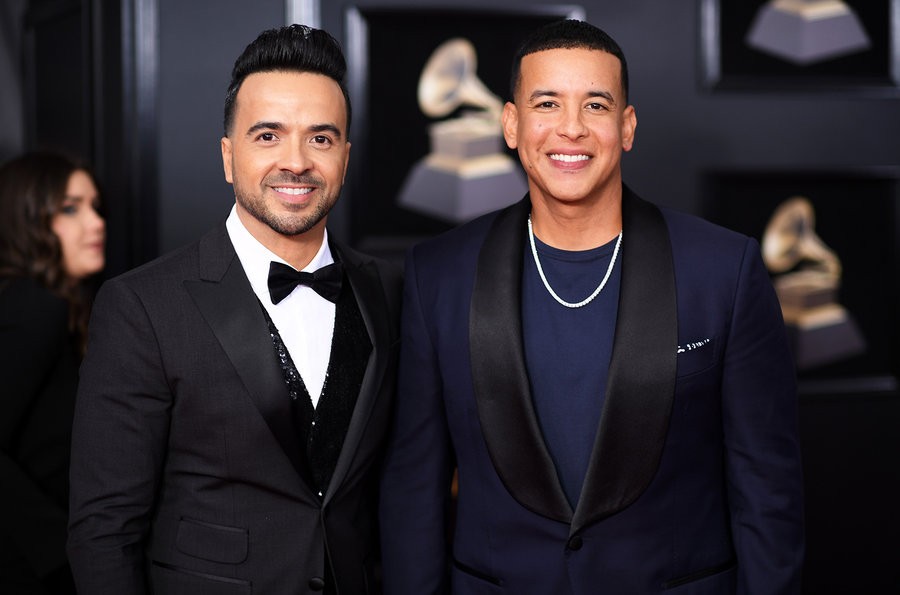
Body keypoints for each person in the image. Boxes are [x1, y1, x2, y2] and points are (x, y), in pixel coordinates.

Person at [379, 19, 804, 594]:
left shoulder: (725, 270)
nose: (571, 128)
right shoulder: (438, 275)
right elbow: (414, 487)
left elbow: (768, 491)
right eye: (547, 103)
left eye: (596, 105)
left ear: (626, 127)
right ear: (511, 124)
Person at [67, 25, 402, 594]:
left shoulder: (390, 290)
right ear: (228, 156)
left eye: (320, 139)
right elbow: (104, 532)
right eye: (268, 136)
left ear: (345, 158)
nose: (296, 162)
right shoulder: (142, 306)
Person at [0, 151, 105, 594]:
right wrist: (60, 557)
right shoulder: (33, 308)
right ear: (27, 220)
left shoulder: (57, 307)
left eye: (95, 206)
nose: (96, 223)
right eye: (70, 209)